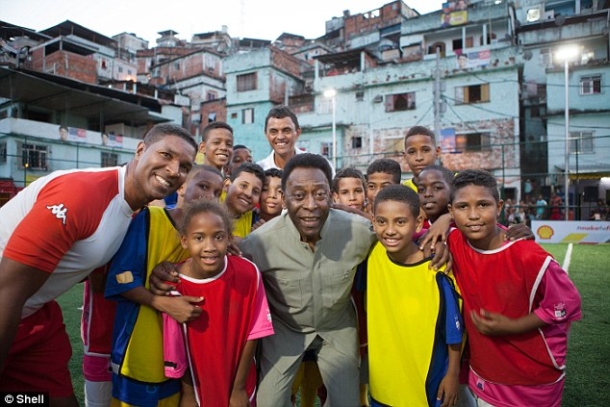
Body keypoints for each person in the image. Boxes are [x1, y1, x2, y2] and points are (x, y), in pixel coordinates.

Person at [0, 123, 197, 405]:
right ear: (140, 150)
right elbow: (6, 290)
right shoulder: (82, 194)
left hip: (34, 314)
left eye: (185, 166)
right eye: (166, 154)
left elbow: (103, 278)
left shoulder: (132, 211)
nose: (174, 170)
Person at [240, 153, 377, 406]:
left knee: (347, 402)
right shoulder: (259, 244)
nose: (311, 205)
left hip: (337, 326)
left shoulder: (359, 232)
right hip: (285, 329)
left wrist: (443, 226)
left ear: (331, 195)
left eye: (320, 194)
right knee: (268, 402)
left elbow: (401, 235)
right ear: (283, 198)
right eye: (299, 195)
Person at [447, 170, 582, 407]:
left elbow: (567, 304)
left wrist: (513, 326)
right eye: (462, 207)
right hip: (484, 373)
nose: (473, 215)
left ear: (498, 206)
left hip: (532, 379)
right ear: (451, 211)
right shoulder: (454, 241)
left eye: (483, 205)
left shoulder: (529, 255)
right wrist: (440, 226)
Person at [104, 164, 224, 407]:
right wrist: (163, 303)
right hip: (141, 349)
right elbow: (121, 277)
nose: (209, 195)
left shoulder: (213, 241)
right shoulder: (151, 219)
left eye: (217, 192)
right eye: (203, 186)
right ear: (181, 186)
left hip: (187, 358)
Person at [163, 200, 274, 406]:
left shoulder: (248, 273)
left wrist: (238, 388)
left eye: (219, 237)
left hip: (238, 380)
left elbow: (254, 332)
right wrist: (188, 393)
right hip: (196, 386)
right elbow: (176, 346)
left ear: (229, 238)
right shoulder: (172, 284)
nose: (210, 247)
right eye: (199, 238)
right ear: (185, 241)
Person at [367, 185, 463, 407]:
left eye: (400, 222)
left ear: (418, 222)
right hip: (383, 386)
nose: (390, 230)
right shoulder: (374, 254)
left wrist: (452, 374)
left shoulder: (437, 270)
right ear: (373, 221)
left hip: (425, 386)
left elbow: (454, 332)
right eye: (382, 222)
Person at [223, 162, 265, 239]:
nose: (249, 194)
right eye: (243, 186)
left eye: (255, 192)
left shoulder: (254, 222)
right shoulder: (210, 202)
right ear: (227, 185)